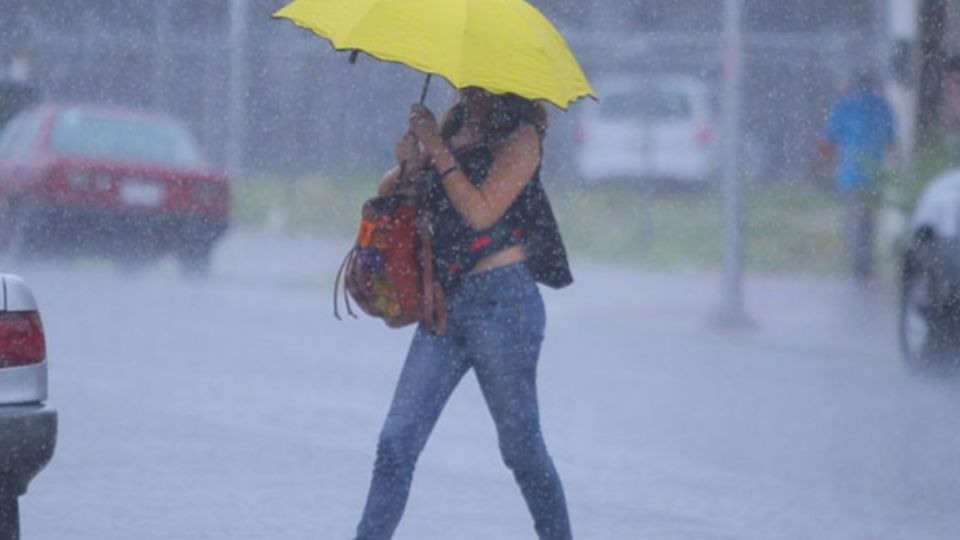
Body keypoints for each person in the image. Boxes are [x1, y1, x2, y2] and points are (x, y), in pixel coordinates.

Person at [354, 87, 575, 540]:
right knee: (396, 443)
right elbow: (387, 189)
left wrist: (437, 149)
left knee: (521, 452)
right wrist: (411, 163)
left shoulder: (522, 137)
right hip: (446, 304)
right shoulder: (454, 128)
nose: (468, 86)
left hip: (504, 304)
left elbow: (480, 212)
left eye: (479, 78)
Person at [825, 71, 897, 283]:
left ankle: (857, 268)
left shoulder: (846, 107)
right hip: (875, 175)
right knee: (869, 223)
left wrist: (826, 164)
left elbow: (830, 140)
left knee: (853, 222)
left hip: (850, 175)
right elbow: (891, 143)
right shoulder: (883, 108)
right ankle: (866, 266)